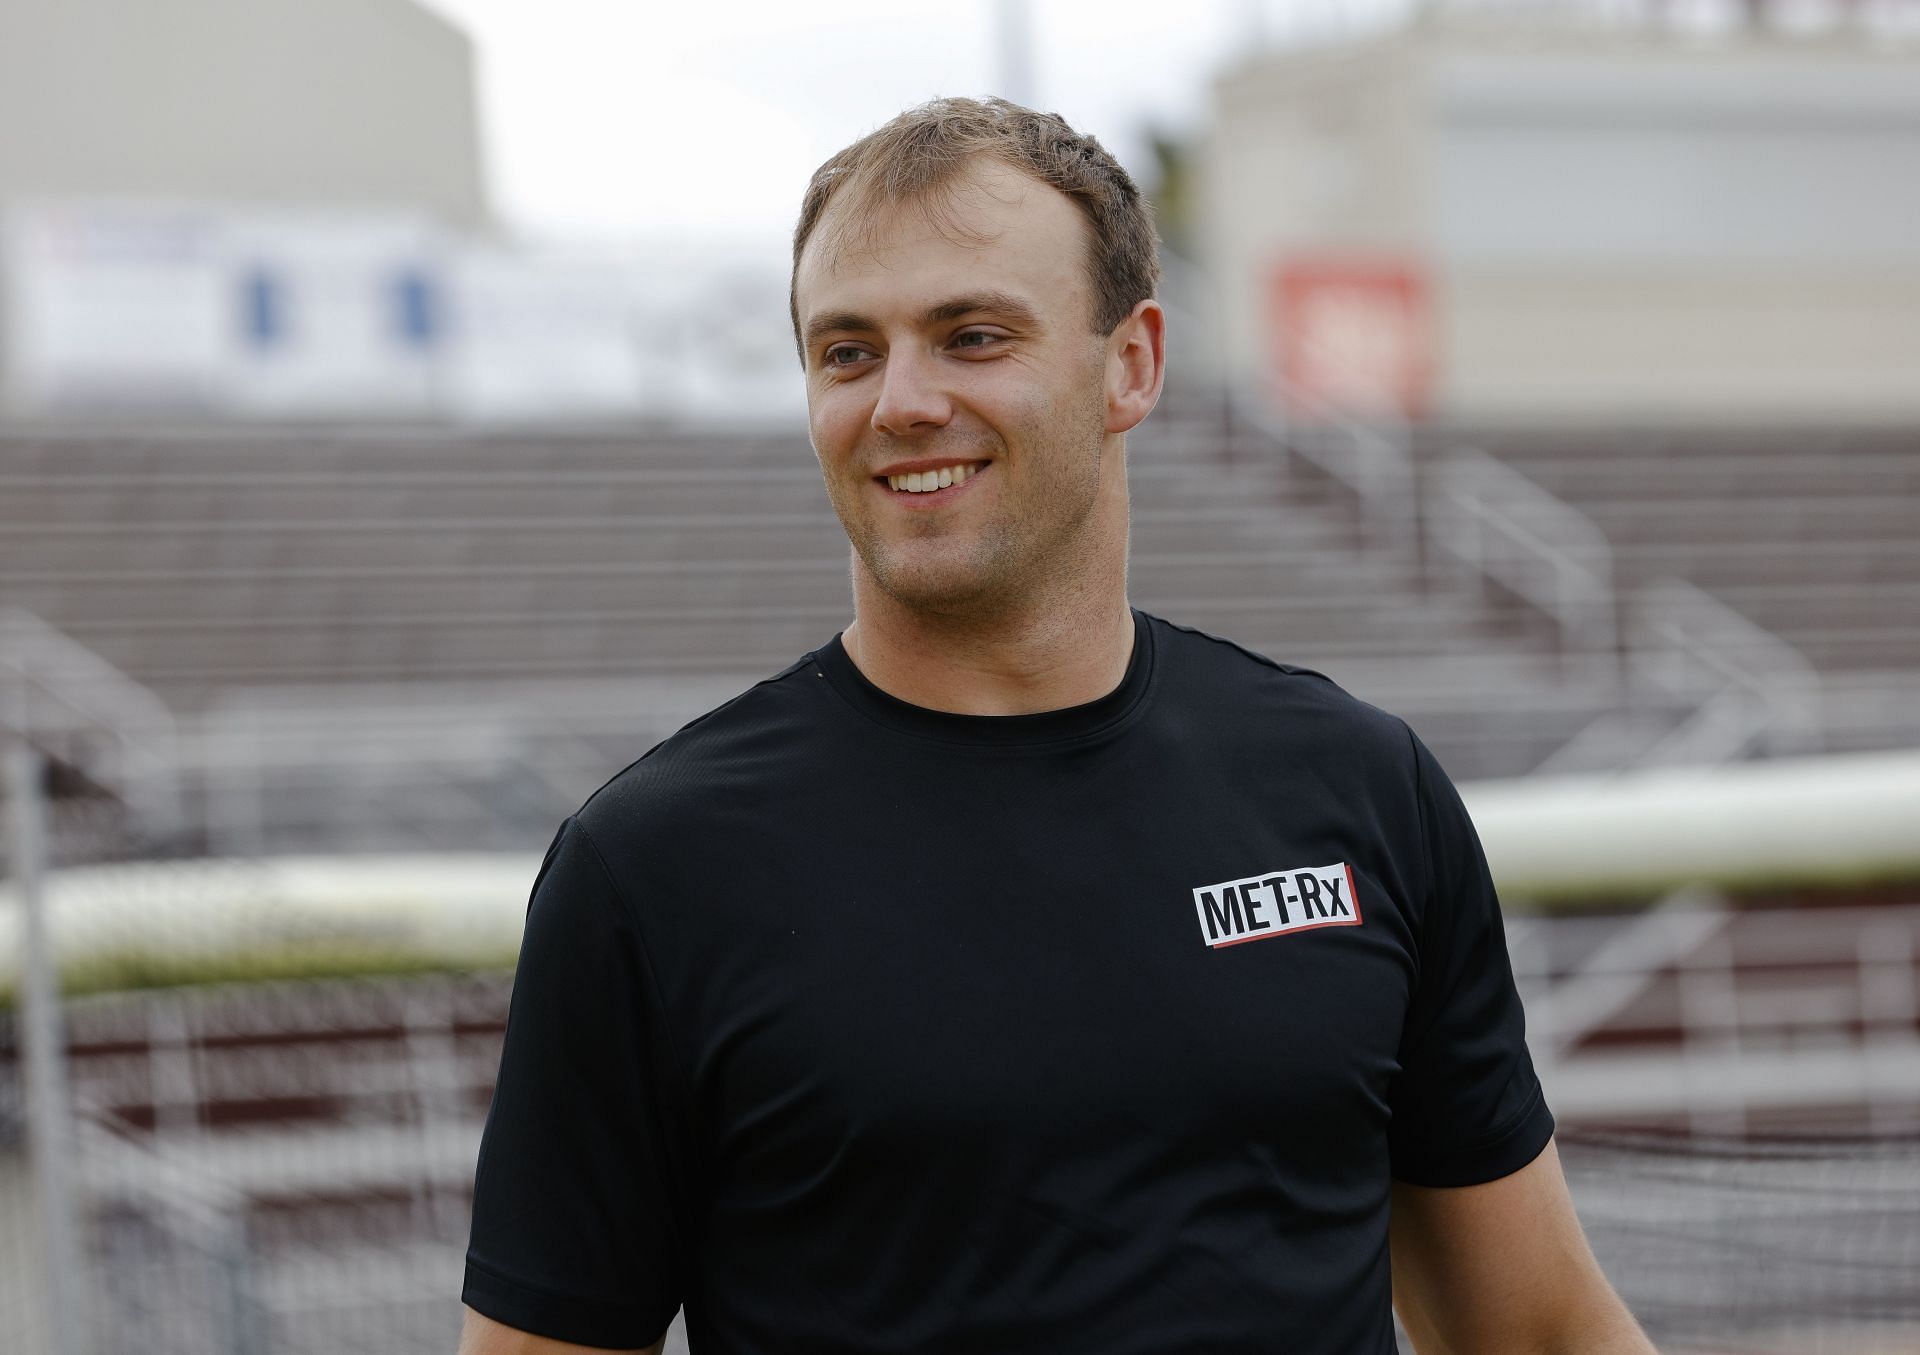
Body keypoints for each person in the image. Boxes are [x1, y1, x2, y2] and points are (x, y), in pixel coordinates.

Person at [457, 97, 1655, 1355]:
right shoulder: (652, 869)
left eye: (972, 336)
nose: (902, 401)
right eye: (847, 351)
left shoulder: (1360, 787)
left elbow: (1533, 1327)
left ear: (1131, 362)